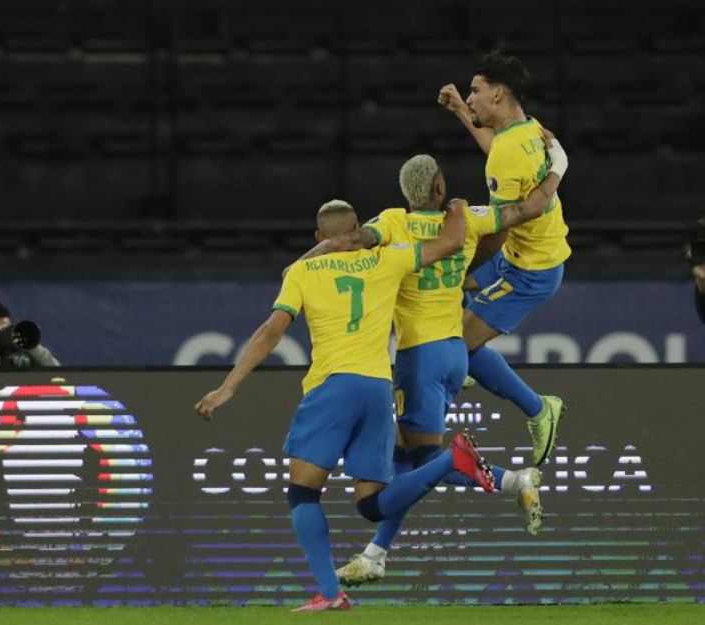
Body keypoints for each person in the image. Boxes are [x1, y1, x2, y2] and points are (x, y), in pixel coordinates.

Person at [194, 200, 495, 612]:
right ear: (357, 229)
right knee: (371, 504)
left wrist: (229, 386)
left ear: (317, 239)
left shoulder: (302, 271)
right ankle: (449, 462)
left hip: (333, 387)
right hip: (376, 388)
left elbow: (271, 331)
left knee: (302, 493)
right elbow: (449, 244)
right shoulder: (386, 259)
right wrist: (458, 211)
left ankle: (331, 594)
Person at [296, 143, 567, 586]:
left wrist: (300, 267)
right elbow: (528, 209)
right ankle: (375, 555)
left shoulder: (392, 222)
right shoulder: (469, 218)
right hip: (456, 350)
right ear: (441, 187)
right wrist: (557, 166)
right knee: (406, 462)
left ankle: (516, 481)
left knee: (426, 460)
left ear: (406, 191)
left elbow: (348, 243)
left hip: (417, 358)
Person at [437, 51, 569, 466]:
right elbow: (498, 150)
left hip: (528, 271)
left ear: (498, 94)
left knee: (454, 348)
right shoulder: (528, 129)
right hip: (530, 255)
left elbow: (499, 231)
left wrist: (467, 266)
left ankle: (539, 409)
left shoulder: (510, 149)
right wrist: (461, 110)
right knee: (450, 309)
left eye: (474, 91)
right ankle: (472, 364)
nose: (471, 97)